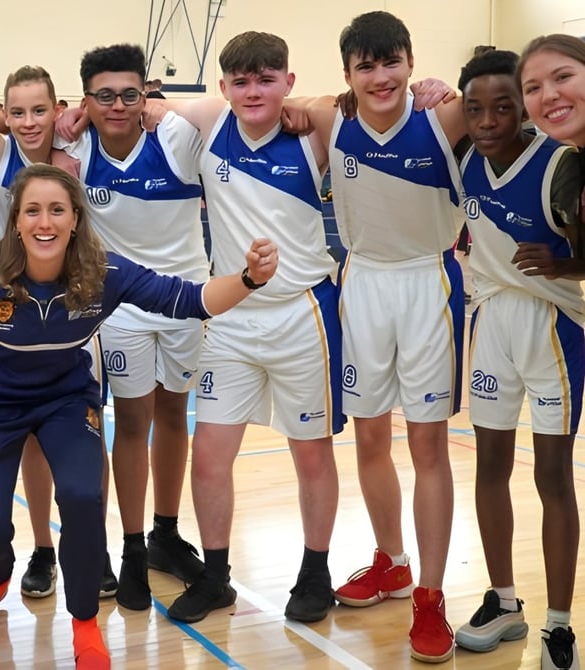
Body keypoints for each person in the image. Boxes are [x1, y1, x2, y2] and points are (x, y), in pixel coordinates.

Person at [0, 163, 278, 670]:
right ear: (16, 221)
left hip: (67, 400)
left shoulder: (104, 273)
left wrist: (248, 279)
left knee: (85, 498)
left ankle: (85, 622)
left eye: (57, 210)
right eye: (33, 211)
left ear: (74, 220)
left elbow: (189, 300)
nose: (45, 222)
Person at [142, 31, 343, 625]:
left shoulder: (316, 134)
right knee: (209, 457)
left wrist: (323, 105)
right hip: (230, 317)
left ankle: (315, 571)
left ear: (288, 81)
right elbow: (154, 107)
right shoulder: (209, 122)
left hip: (302, 314)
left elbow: (362, 102)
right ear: (224, 86)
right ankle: (217, 574)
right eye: (241, 81)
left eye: (266, 79)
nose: (253, 91)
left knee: (311, 455)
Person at [292, 10, 468, 663]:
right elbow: (272, 99)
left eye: (391, 61)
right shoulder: (331, 118)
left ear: (408, 62)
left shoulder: (442, 119)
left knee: (427, 446)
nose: (381, 75)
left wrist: (447, 83)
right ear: (348, 76)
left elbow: (500, 91)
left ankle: (429, 594)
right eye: (366, 65)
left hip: (429, 286)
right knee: (368, 434)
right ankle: (391, 560)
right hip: (361, 284)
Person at [0, 64, 117, 601]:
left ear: (59, 108)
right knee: (27, 442)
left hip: (76, 306)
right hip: (16, 310)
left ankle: (90, 549)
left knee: (83, 444)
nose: (29, 122)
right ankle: (42, 550)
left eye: (41, 110)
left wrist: (91, 112)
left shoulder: (81, 152)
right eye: (17, 111)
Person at [452, 47, 585, 668]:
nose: (486, 121)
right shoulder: (464, 160)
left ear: (523, 110)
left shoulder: (563, 163)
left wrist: (566, 264)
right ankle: (504, 602)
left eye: (503, 106)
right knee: (489, 468)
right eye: (474, 109)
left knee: (552, 475)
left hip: (555, 325)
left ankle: (559, 624)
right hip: (492, 323)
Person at [64, 43, 209, 611]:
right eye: (105, 96)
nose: (119, 105)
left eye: (131, 93)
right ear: (87, 101)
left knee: (176, 413)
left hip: (183, 296)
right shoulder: (74, 144)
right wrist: (57, 116)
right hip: (119, 305)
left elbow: (230, 109)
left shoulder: (173, 137)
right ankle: (129, 549)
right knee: (131, 421)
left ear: (145, 93)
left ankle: (165, 535)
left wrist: (168, 105)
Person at [515, 33, 585, 670]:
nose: (547, 97)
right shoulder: (574, 164)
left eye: (561, 77)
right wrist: (568, 263)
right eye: (533, 87)